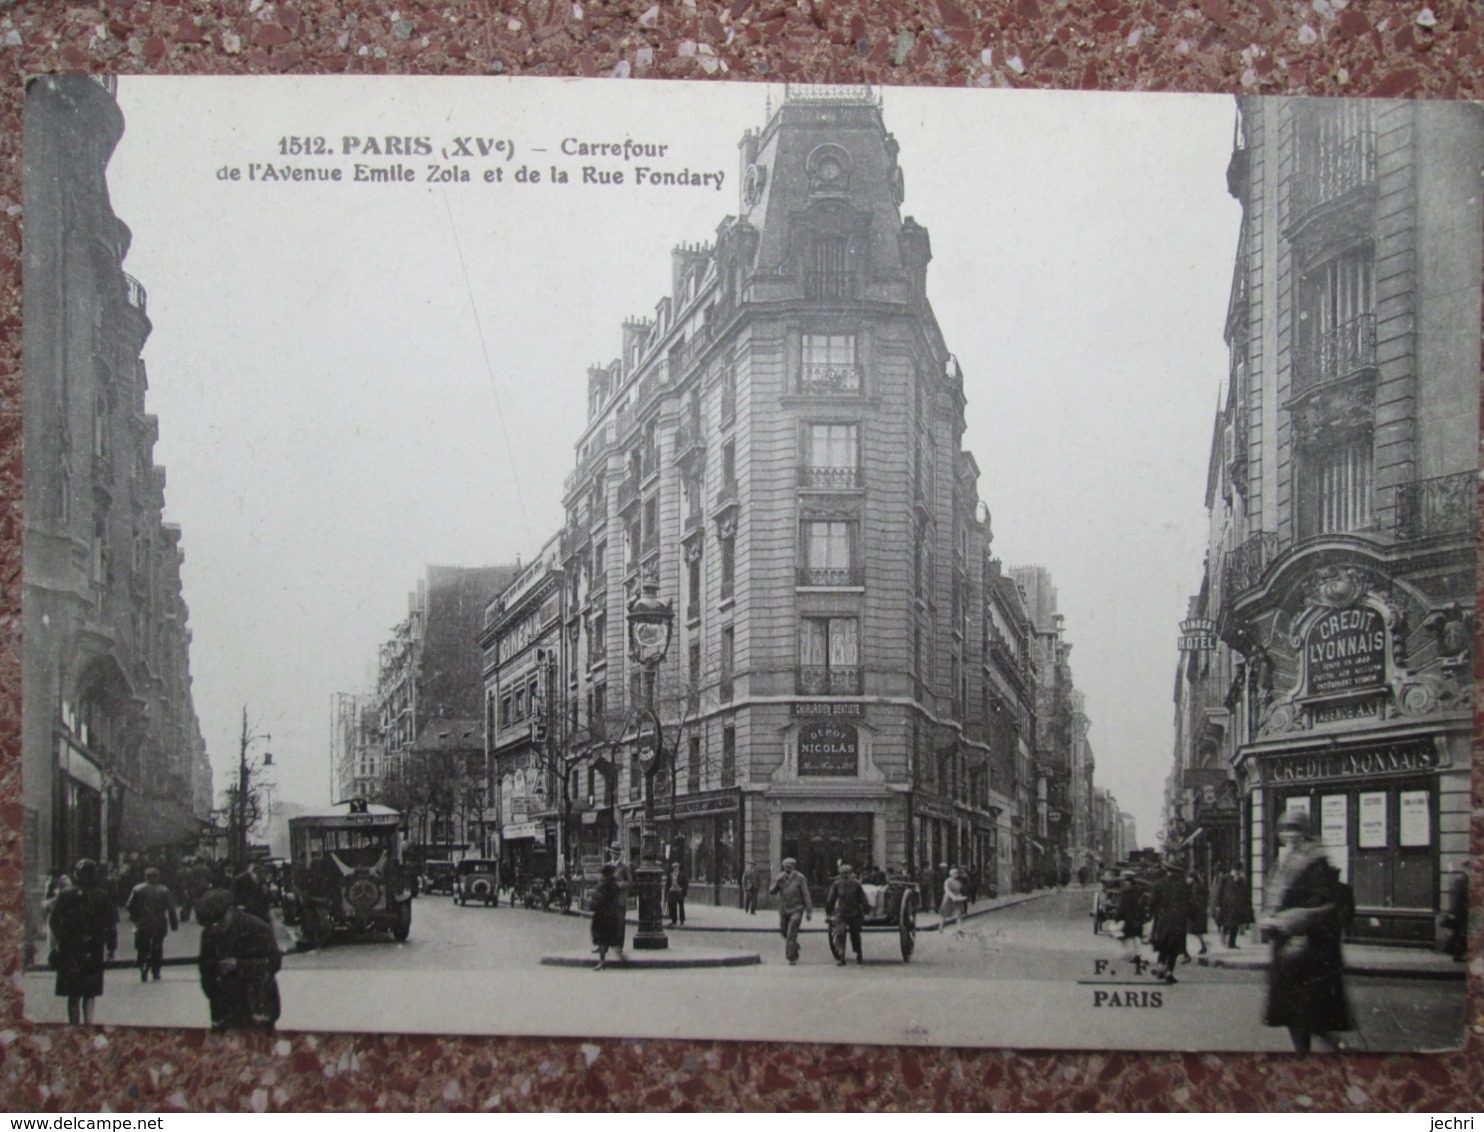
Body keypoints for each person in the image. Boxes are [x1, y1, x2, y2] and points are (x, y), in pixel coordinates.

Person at [1260, 808, 1353, 1053]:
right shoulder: (1285, 862)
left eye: (1296, 829)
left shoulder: (1315, 861)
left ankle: (1324, 1052)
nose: (1290, 835)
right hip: (1288, 949)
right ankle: (1310, 1052)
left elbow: (1321, 903)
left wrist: (1292, 924)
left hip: (1308, 949)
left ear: (1306, 832)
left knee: (1306, 1013)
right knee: (1297, 1014)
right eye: (1285, 829)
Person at [196, 888, 282, 1031]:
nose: (215, 927)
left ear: (230, 911)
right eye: (211, 924)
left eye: (219, 921)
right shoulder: (210, 932)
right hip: (224, 1009)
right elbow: (205, 966)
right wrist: (213, 995)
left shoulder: (257, 928)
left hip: (256, 1007)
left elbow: (274, 963)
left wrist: (240, 965)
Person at [48, 860, 118, 1025]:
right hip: (94, 947)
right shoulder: (103, 895)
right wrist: (111, 948)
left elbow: (54, 921)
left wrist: (62, 938)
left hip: (71, 947)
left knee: (73, 993)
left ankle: (74, 1024)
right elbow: (111, 924)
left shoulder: (66, 894)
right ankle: (89, 1023)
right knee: (90, 991)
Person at [125, 866, 179, 982]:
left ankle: (142, 966)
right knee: (158, 946)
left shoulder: (137, 888)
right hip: (159, 922)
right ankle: (156, 971)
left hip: (142, 922)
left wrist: (135, 915)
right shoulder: (164, 890)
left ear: (145, 877)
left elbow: (129, 906)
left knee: (142, 946)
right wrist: (174, 923)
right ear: (158, 877)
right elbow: (171, 909)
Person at [1146, 862, 1191, 983]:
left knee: (1163, 945)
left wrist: (1152, 913)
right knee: (1174, 947)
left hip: (1162, 921)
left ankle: (1160, 967)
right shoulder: (1183, 886)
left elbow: (1151, 903)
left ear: (1167, 871)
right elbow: (1189, 904)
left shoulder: (1159, 884)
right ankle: (1169, 971)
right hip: (1178, 922)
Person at [824, 864, 872, 966]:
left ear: (851, 874)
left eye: (847, 874)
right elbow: (831, 899)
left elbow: (862, 898)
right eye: (842, 874)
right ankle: (841, 956)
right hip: (842, 913)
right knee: (840, 933)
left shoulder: (856, 885)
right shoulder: (836, 885)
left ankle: (858, 952)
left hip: (855, 913)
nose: (845, 876)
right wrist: (828, 911)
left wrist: (866, 909)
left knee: (855, 934)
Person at [769, 857, 813, 965]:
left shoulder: (800, 878)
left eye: (789, 867)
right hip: (784, 909)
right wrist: (776, 883)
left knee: (791, 933)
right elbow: (772, 891)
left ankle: (791, 958)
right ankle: (794, 946)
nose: (787, 869)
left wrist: (809, 911)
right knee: (784, 932)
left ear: (793, 867)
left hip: (796, 909)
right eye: (785, 867)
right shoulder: (780, 877)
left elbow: (806, 894)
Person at [590, 863, 627, 970]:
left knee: (603, 939)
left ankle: (602, 961)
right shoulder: (614, 885)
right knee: (609, 938)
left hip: (603, 915)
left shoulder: (603, 885)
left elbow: (597, 898)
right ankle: (617, 957)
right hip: (610, 915)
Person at [1214, 863, 1255, 948]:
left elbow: (1244, 893)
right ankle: (1223, 940)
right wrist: (1218, 905)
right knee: (1226, 924)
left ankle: (1231, 943)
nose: (1238, 873)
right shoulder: (1225, 878)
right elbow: (1219, 892)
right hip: (1226, 906)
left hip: (1237, 907)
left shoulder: (1241, 880)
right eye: (1238, 871)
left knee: (1235, 925)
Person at [1439, 861, 1468, 962]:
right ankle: (1457, 954)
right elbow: (1455, 897)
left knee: (1460, 934)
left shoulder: (1466, 879)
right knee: (1462, 934)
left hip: (1464, 912)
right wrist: (1452, 911)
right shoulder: (1461, 880)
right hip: (1461, 912)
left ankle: (1456, 953)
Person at [1116, 870, 1148, 946]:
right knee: (1137, 934)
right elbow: (1143, 902)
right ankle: (1137, 955)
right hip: (1138, 916)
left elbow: (1122, 905)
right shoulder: (1140, 889)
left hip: (1128, 916)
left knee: (1126, 934)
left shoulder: (1124, 891)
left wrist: (1117, 917)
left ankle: (1129, 952)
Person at [1185, 869, 1210, 958]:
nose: (1187, 879)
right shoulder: (1197, 885)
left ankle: (1201, 947)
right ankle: (1203, 946)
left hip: (1196, 912)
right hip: (1198, 912)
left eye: (1188, 877)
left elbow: (1195, 900)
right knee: (1196, 931)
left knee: (1194, 930)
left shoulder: (1195, 887)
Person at [666, 862, 688, 926]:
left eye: (676, 867)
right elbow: (668, 883)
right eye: (674, 868)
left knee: (681, 906)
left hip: (679, 891)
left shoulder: (681, 874)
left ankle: (682, 920)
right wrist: (668, 890)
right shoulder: (670, 875)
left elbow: (685, 883)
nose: (675, 869)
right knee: (673, 906)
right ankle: (674, 920)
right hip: (672, 891)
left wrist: (683, 890)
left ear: (678, 868)